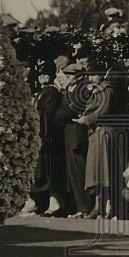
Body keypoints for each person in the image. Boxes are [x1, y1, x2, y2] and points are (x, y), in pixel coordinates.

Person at [77, 63, 129, 219]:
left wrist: (86, 119)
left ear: (101, 75)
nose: (90, 78)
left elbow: (103, 111)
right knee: (97, 172)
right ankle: (99, 206)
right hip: (97, 133)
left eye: (93, 75)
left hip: (104, 133)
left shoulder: (107, 90)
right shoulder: (98, 90)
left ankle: (103, 207)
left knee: (104, 172)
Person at [27, 58, 69, 216]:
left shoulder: (51, 92)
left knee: (49, 172)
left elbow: (48, 113)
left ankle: (55, 202)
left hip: (49, 136)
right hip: (41, 135)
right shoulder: (40, 93)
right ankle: (40, 202)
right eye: (40, 74)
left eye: (46, 74)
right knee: (41, 171)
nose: (43, 77)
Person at [56, 60, 93, 218]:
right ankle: (80, 206)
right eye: (67, 74)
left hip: (78, 132)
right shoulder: (68, 90)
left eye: (70, 74)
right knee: (72, 171)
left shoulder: (82, 88)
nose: (68, 77)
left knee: (80, 169)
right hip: (69, 131)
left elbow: (72, 111)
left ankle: (86, 206)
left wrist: (64, 114)